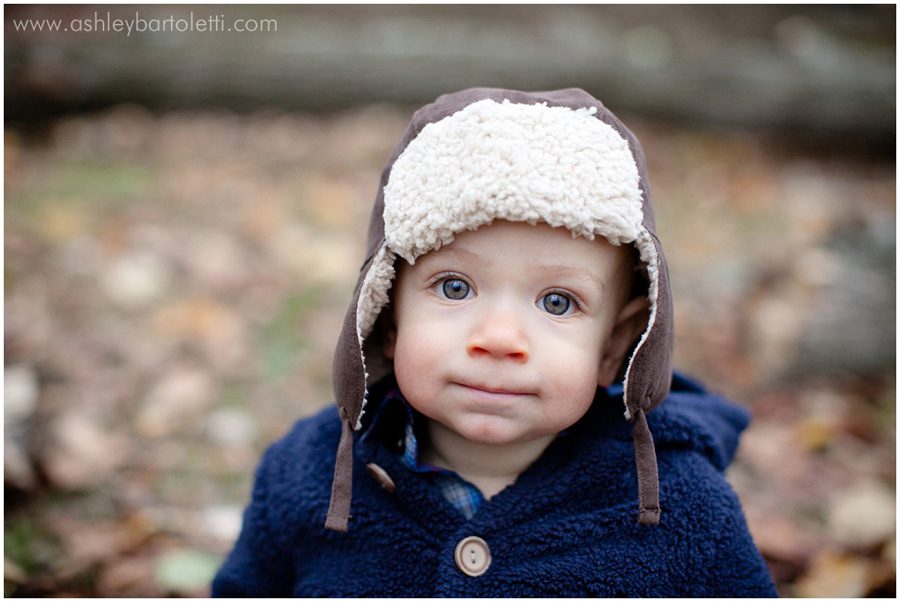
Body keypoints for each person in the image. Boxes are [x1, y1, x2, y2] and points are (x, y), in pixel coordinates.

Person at [211, 87, 777, 596]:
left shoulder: (683, 510)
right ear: (386, 316)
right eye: (454, 288)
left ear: (614, 346)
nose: (500, 339)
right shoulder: (303, 478)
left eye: (558, 301)